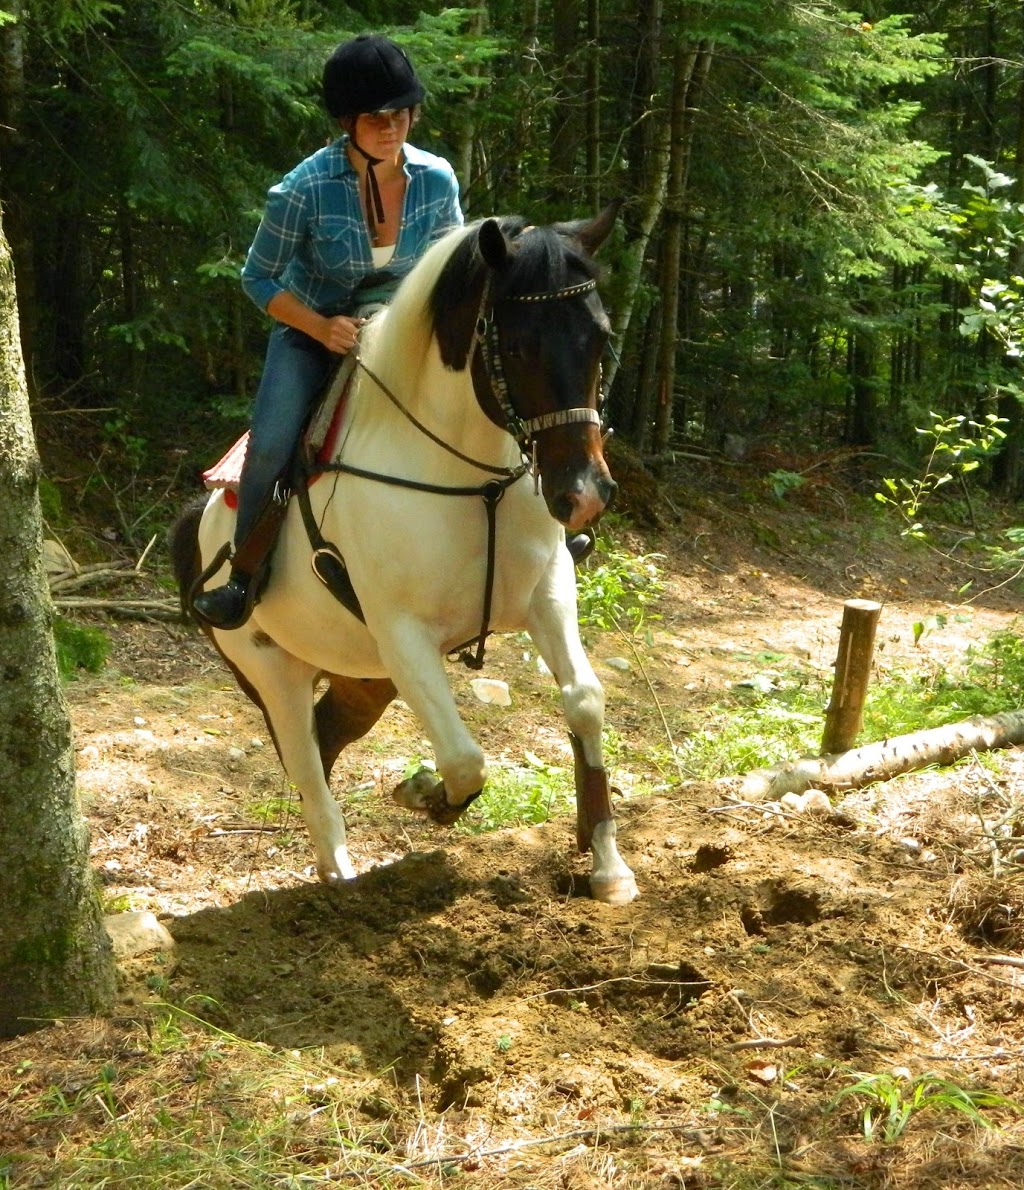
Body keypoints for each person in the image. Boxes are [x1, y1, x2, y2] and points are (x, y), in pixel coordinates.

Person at [193, 33, 464, 629]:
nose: (391, 129)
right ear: (348, 121)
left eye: (400, 115)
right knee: (271, 440)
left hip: (400, 326)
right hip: (312, 329)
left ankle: (546, 523)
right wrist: (319, 327)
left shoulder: (438, 179)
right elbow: (257, 279)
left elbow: (448, 268)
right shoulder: (301, 190)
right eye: (375, 118)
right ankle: (244, 576)